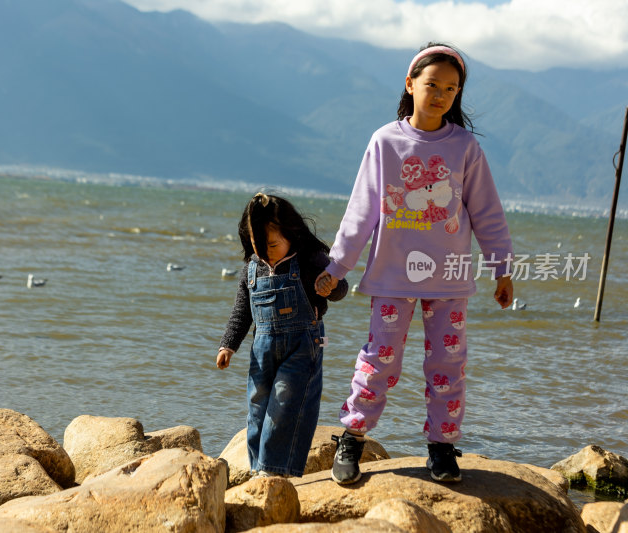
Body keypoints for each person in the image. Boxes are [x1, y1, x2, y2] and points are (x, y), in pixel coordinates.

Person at [314, 43, 514, 485]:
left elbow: (486, 211)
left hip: (450, 281)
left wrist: (502, 268)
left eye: (451, 88)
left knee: (448, 365)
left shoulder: (464, 147)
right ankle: (351, 438)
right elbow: (361, 211)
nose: (441, 94)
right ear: (410, 84)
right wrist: (337, 267)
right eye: (432, 85)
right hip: (392, 276)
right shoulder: (385, 141)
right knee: (379, 361)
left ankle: (442, 449)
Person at [217, 192, 348, 478]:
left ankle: (274, 470)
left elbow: (340, 287)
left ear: (291, 234)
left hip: (302, 346)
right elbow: (242, 311)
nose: (265, 252)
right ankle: (258, 466)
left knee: (285, 402)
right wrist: (228, 345)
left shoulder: (310, 259)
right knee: (257, 405)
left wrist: (331, 287)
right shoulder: (252, 268)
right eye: (257, 245)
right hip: (262, 347)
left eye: (273, 244)